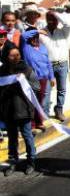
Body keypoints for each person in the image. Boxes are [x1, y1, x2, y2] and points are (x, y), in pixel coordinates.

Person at [0, 46, 39, 175]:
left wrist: (24, 81)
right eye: (12, 55)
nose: (16, 57)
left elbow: (37, 87)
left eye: (17, 54)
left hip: (23, 109)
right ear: (6, 57)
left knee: (27, 136)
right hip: (8, 110)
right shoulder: (2, 71)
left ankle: (31, 161)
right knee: (12, 138)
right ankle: (13, 162)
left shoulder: (27, 70)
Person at [39, 11, 70, 122]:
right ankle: (44, 112)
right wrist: (37, 31)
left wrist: (56, 14)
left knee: (62, 89)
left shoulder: (63, 31)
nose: (52, 21)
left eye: (54, 19)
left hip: (62, 64)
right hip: (48, 66)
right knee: (46, 91)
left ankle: (59, 109)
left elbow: (68, 24)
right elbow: (27, 34)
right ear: (46, 20)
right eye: (50, 19)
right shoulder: (42, 33)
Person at [21, 28, 55, 130]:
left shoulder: (43, 47)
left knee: (39, 101)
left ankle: (39, 122)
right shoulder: (26, 47)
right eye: (33, 37)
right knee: (30, 101)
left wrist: (52, 77)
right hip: (30, 79)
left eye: (36, 37)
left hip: (43, 79)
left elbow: (48, 63)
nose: (35, 39)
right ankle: (31, 124)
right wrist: (38, 31)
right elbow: (23, 36)